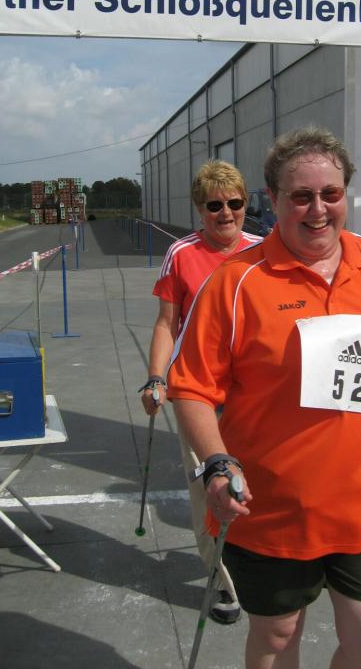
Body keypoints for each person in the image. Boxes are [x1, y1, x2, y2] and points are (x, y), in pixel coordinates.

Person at [167, 127, 361, 669]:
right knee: (276, 637)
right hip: (272, 510)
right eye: (301, 196)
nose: (318, 210)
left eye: (330, 194)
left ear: (346, 195)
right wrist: (217, 463)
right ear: (273, 199)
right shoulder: (235, 283)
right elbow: (192, 388)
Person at [139, 159, 261, 624]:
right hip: (198, 394)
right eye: (214, 205)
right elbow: (165, 324)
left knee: (258, 487)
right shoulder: (182, 253)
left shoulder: (264, 250)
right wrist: (156, 377)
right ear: (199, 209)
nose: (226, 213)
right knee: (210, 492)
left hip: (252, 394)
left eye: (235, 203)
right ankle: (225, 582)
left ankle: (259, 565)